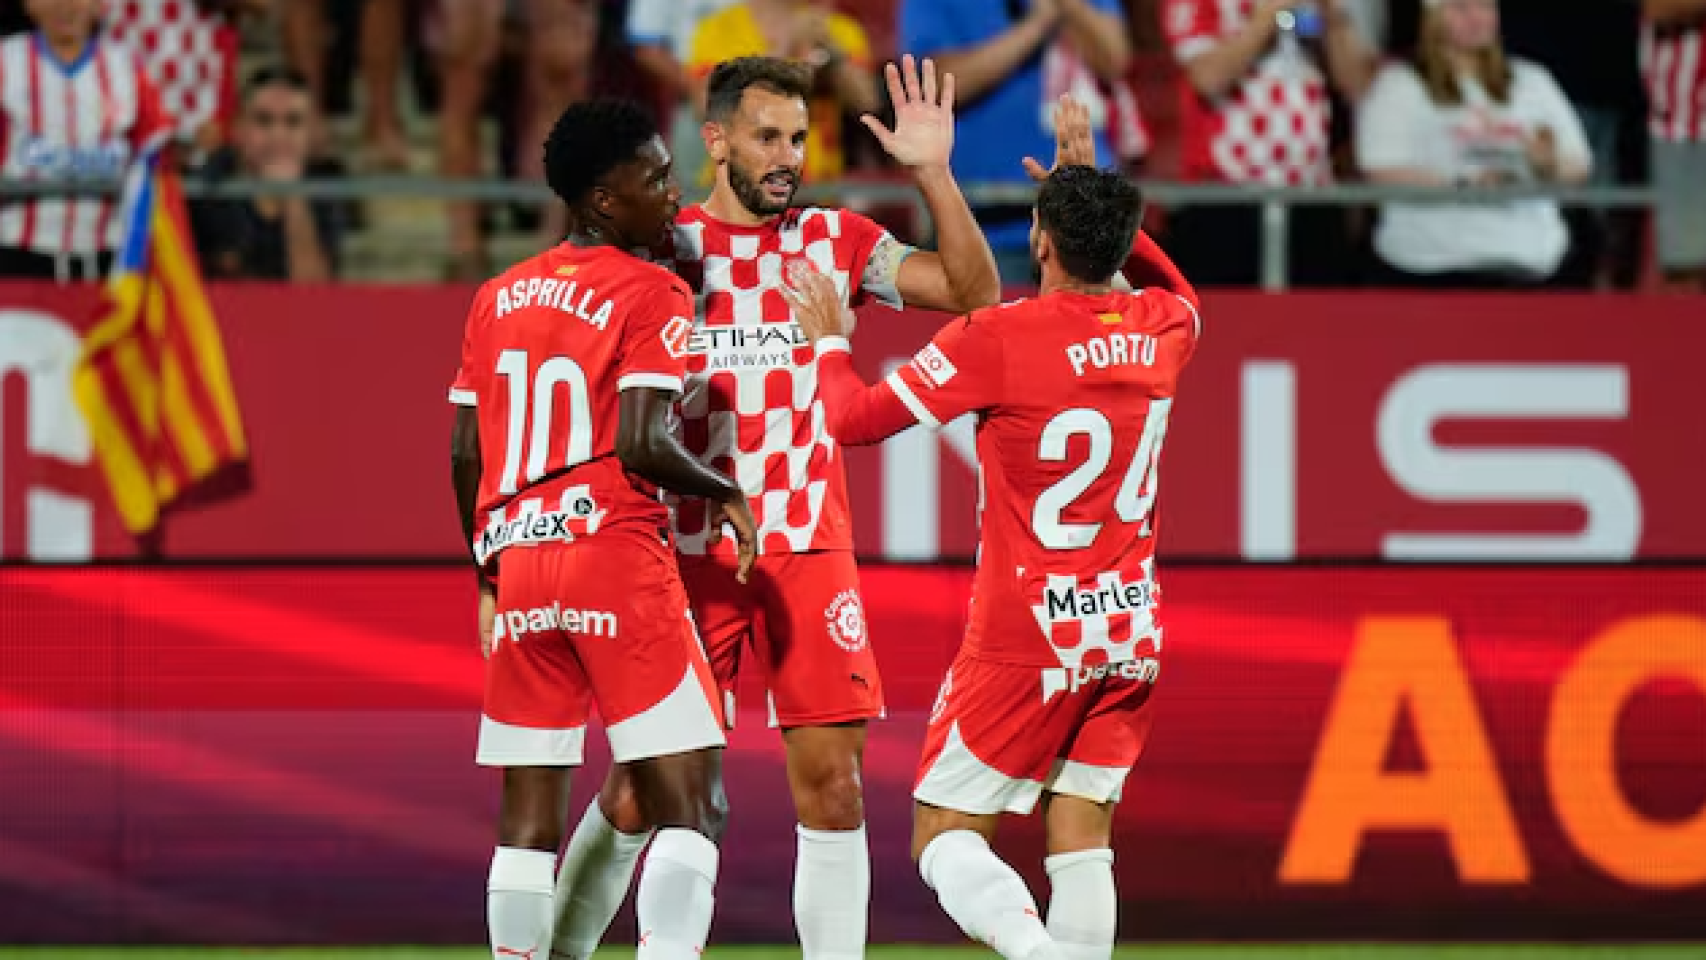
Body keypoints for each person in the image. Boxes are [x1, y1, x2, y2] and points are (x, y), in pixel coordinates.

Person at [547, 54, 1001, 960]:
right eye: (766, 137)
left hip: (807, 547)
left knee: (834, 789)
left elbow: (974, 296)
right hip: (685, 551)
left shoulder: (835, 240)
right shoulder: (658, 244)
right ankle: (554, 951)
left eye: (798, 137)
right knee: (646, 789)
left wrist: (933, 173)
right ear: (714, 140)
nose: (787, 156)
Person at [782, 115, 1201, 960]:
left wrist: (828, 341)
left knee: (941, 835)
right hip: (1129, 630)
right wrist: (1100, 205)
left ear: (1039, 242)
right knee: (1082, 831)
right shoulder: (1166, 329)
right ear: (1120, 243)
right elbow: (1179, 290)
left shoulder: (997, 339)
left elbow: (852, 420)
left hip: (1025, 632)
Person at [446, 98, 758, 960]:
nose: (673, 191)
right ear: (601, 200)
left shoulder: (497, 294)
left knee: (527, 821)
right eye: (654, 178)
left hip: (520, 564)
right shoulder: (653, 289)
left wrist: (486, 569)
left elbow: (467, 451)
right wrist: (722, 486)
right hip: (611, 554)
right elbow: (642, 440)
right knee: (695, 802)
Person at [1357, 0, 1592, 287]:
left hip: (1530, 264)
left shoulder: (1533, 81)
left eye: (1484, 6)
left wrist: (1547, 166)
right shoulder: (1399, 84)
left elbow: (1579, 164)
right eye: (1460, 7)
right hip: (1432, 266)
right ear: (1433, 16)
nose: (1476, 17)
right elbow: (1381, 169)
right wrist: (1464, 184)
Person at [0, 0, 170, 281]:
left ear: (99, 5)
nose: (65, 6)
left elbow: (156, 149)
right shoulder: (6, 62)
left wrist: (137, 251)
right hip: (16, 254)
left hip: (104, 258)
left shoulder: (127, 68)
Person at [190, 66, 347, 281]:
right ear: (238, 129)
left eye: (293, 122)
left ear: (312, 134)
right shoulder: (207, 186)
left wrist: (293, 197)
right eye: (263, 120)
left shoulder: (329, 187)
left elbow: (314, 297)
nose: (278, 135)